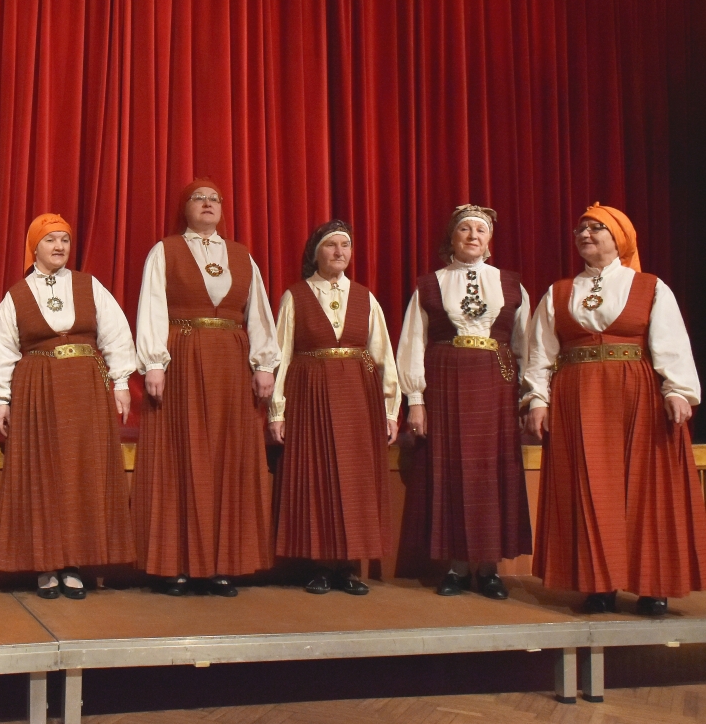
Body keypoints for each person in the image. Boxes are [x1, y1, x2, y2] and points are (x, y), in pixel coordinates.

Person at [524, 203, 706, 616]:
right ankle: (599, 584)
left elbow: (671, 342)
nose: (585, 234)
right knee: (589, 489)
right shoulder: (559, 292)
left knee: (646, 488)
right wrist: (537, 399)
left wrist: (677, 391)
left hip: (637, 395)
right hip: (576, 396)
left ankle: (652, 585)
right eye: (580, 229)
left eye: (596, 228)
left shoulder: (650, 287)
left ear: (619, 238)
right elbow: (540, 352)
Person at [133, 178, 280, 597]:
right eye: (199, 198)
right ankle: (177, 565)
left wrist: (264, 365)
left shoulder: (241, 256)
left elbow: (258, 312)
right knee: (182, 454)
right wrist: (154, 363)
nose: (208, 203)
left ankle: (222, 565)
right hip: (182, 355)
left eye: (215, 198)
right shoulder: (165, 251)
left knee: (227, 457)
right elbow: (151, 307)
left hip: (231, 362)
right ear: (185, 208)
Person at [0, 214, 137, 598]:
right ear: (34, 247)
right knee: (44, 471)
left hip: (86, 387)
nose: (59, 247)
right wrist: (1, 399)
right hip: (38, 388)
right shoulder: (17, 295)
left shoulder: (89, 286)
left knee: (83, 471)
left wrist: (121, 382)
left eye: (65, 240)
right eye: (51, 240)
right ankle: (46, 563)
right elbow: (3, 348)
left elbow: (116, 334)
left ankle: (75, 563)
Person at [396, 205, 531, 599]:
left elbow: (527, 346)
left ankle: (489, 569)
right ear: (451, 239)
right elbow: (412, 344)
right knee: (452, 471)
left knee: (491, 473)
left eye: (480, 230)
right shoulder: (430, 285)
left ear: (489, 240)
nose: (473, 236)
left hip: (496, 383)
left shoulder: (511, 285)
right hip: (446, 382)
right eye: (465, 229)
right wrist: (415, 400)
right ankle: (456, 568)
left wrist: (528, 399)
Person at [268, 220, 401, 594]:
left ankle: (348, 566)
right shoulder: (296, 297)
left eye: (345, 245)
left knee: (356, 479)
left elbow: (384, 357)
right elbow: (281, 356)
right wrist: (278, 411)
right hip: (311, 395)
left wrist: (390, 410)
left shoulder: (365, 297)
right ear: (316, 253)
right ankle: (321, 565)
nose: (339, 252)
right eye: (331, 245)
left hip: (358, 398)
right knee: (318, 475)